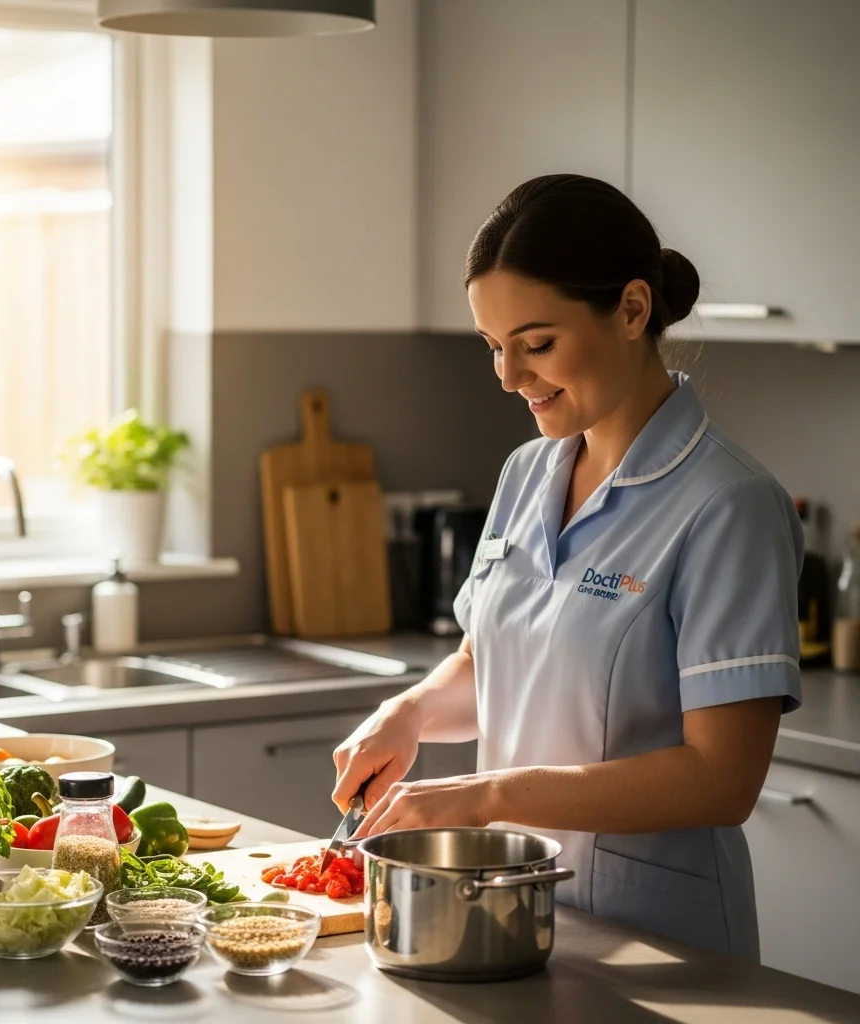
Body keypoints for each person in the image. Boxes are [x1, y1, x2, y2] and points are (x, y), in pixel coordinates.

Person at [332, 174, 802, 960]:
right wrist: (410, 712)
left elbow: (723, 779)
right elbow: (497, 665)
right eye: (493, 346)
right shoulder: (527, 473)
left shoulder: (730, 503)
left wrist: (487, 798)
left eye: (537, 344)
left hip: (661, 941)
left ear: (630, 309)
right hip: (510, 916)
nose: (509, 377)